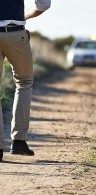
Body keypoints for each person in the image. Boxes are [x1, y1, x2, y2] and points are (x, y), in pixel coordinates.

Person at [0, 0, 51, 162]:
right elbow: (43, 5)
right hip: (16, 33)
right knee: (24, 83)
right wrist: (23, 16)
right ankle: (19, 141)